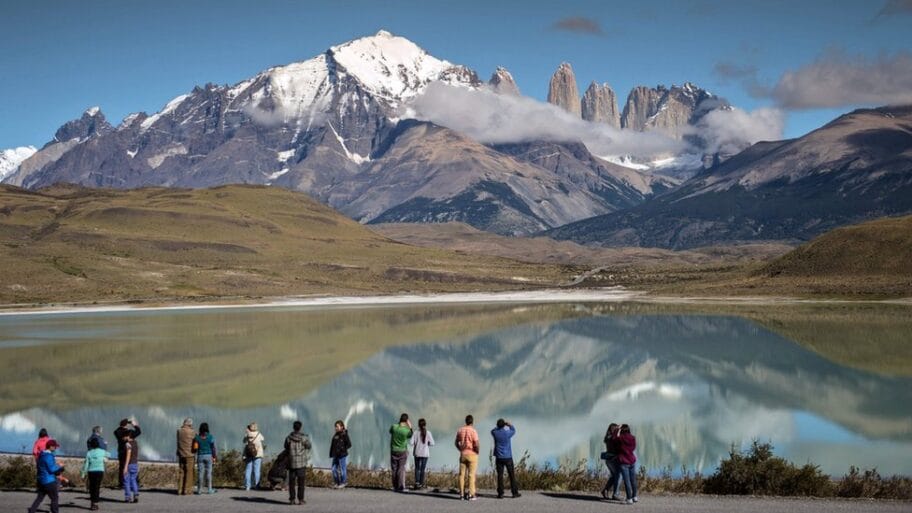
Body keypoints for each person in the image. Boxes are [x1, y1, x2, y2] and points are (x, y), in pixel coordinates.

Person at [28, 438, 68, 513]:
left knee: (39, 498)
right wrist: (60, 466)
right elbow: (52, 469)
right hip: (49, 481)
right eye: (55, 446)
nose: (56, 448)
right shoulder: (49, 456)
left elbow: (45, 466)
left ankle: (32, 511)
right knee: (54, 498)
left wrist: (56, 465)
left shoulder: (41, 455)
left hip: (41, 480)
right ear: (51, 447)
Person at [284, 420, 312, 505]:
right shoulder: (304, 438)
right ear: (300, 428)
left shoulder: (289, 437)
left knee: (291, 483)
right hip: (301, 463)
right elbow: (309, 446)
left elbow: (285, 446)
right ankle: (301, 499)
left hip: (292, 462)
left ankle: (292, 499)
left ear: (293, 427)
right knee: (301, 483)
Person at [492, 418, 520, 499]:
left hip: (499, 457)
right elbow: (514, 430)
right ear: (504, 425)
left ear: (497, 425)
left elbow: (492, 430)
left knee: (500, 476)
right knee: (511, 475)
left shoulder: (495, 432)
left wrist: (498, 426)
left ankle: (500, 493)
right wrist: (509, 424)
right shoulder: (507, 433)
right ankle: (514, 493)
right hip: (508, 457)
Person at [455, 414, 480, 501]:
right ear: (472, 422)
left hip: (463, 454)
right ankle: (471, 494)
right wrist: (477, 451)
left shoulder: (460, 430)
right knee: (471, 475)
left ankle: (461, 494)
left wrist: (460, 449)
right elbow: (476, 444)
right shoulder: (473, 431)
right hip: (472, 454)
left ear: (465, 421)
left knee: (461, 475)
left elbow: (456, 442)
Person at [389, 413, 412, 492]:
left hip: (393, 450)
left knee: (394, 468)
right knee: (401, 468)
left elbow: (390, 431)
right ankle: (401, 486)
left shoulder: (394, 427)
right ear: (406, 421)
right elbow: (410, 435)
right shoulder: (406, 430)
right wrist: (410, 427)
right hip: (402, 450)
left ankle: (395, 486)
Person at [81, 437, 107, 510]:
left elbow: (86, 464)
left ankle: (92, 503)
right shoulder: (102, 451)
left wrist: (83, 473)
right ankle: (95, 503)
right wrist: (105, 446)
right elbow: (108, 455)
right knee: (97, 487)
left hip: (91, 471)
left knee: (92, 488)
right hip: (100, 471)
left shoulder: (89, 453)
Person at [114, 419, 141, 486]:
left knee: (122, 467)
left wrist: (123, 424)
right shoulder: (129, 432)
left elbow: (118, 430)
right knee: (132, 465)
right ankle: (135, 482)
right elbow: (139, 432)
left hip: (121, 451)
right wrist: (134, 425)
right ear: (127, 425)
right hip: (129, 451)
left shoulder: (116, 432)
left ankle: (121, 482)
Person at [410, 418, 434, 490]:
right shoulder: (428, 433)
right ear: (425, 424)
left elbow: (411, 443)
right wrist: (427, 443)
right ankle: (421, 483)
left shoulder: (415, 433)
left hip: (417, 453)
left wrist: (416, 443)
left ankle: (417, 483)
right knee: (422, 469)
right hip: (425, 453)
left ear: (418, 425)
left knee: (417, 469)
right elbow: (432, 443)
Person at [617, 424, 639, 505]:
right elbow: (633, 448)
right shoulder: (633, 438)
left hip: (624, 462)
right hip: (632, 460)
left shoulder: (621, 438)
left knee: (627, 481)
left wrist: (618, 429)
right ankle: (634, 497)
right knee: (633, 480)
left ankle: (629, 499)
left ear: (622, 430)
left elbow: (615, 438)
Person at [193, 422, 217, 494]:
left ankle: (199, 490)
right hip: (208, 456)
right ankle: (209, 489)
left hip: (200, 456)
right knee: (209, 473)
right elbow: (213, 448)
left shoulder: (197, 438)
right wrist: (214, 456)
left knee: (200, 473)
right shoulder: (210, 437)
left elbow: (195, 449)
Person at [601, 423, 622, 500]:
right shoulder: (612, 438)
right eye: (616, 429)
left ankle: (605, 490)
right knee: (619, 475)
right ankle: (616, 494)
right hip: (614, 460)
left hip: (608, 460)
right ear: (614, 429)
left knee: (614, 476)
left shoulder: (607, 437)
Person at [329, 420, 352, 489]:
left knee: (342, 469)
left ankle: (343, 482)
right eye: (335, 426)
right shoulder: (335, 435)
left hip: (342, 455)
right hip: (335, 455)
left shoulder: (344, 434)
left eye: (337, 426)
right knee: (333, 469)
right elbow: (332, 445)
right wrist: (331, 453)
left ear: (342, 427)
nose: (336, 428)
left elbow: (349, 444)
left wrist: (342, 449)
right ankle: (337, 482)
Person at [243, 422, 266, 491]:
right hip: (258, 454)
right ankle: (256, 485)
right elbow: (263, 439)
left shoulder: (247, 434)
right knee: (257, 470)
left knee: (248, 470)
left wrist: (247, 432)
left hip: (248, 454)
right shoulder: (258, 434)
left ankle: (247, 486)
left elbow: (244, 441)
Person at [176, 418, 195, 496]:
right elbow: (195, 439)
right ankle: (187, 490)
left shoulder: (179, 431)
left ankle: (180, 490)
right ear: (190, 424)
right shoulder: (192, 432)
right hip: (189, 455)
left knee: (181, 471)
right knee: (189, 472)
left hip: (181, 454)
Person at [122, 430, 140, 503]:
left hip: (129, 464)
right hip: (135, 464)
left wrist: (125, 466)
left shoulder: (128, 444)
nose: (124, 437)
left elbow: (128, 455)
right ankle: (136, 494)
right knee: (133, 480)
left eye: (125, 436)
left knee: (126, 481)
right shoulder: (135, 443)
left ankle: (128, 497)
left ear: (128, 436)